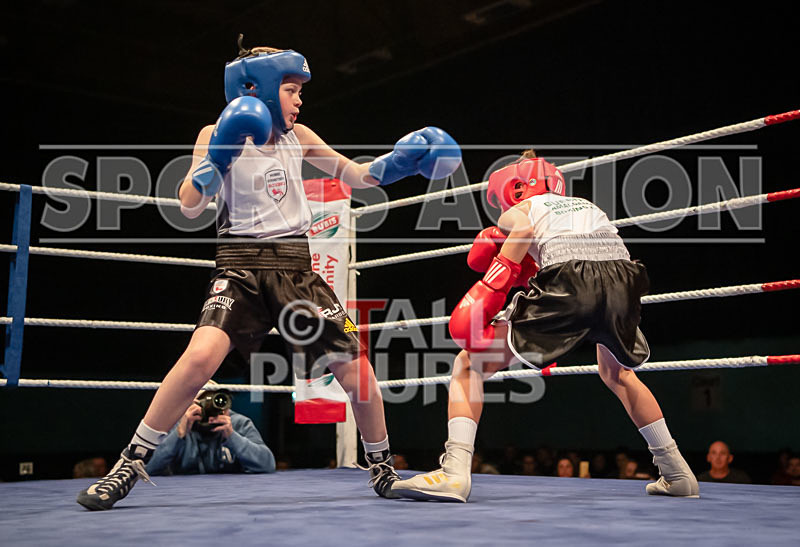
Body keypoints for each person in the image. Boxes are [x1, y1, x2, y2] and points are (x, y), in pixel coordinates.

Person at [77, 37, 462, 510]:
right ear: (255, 88)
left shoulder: (299, 137)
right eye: (291, 88)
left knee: (356, 362)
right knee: (199, 358)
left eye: (302, 90)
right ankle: (127, 467)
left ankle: (382, 468)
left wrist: (401, 164)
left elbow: (354, 176)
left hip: (301, 273)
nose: (300, 99)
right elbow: (189, 205)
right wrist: (217, 159)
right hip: (238, 269)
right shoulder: (213, 132)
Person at [392, 151, 698, 502]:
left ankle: (455, 472)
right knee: (618, 374)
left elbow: (522, 232)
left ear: (515, 188)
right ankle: (677, 473)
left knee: (468, 362)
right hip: (624, 280)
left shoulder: (521, 210)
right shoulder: (584, 204)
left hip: (570, 282)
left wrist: (499, 273)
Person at [145, 384, 275, 475]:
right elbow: (149, 468)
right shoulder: (182, 424)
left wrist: (232, 437)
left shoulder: (239, 424)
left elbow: (267, 464)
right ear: (192, 405)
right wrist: (179, 435)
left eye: (218, 402)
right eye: (204, 403)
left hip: (233, 495)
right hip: (185, 495)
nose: (211, 410)